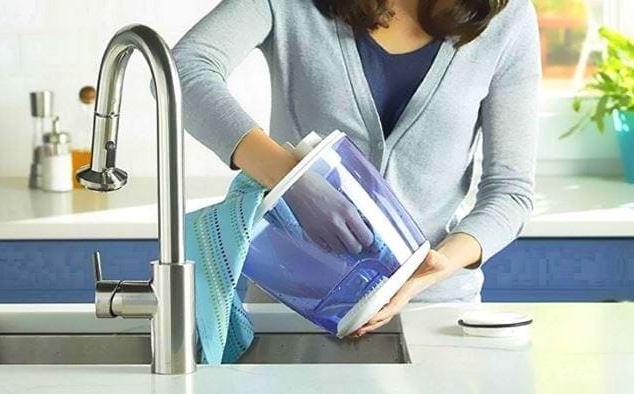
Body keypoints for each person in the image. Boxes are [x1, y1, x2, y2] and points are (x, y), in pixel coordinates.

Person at [172, 0, 540, 335]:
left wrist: (437, 265)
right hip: (293, 311)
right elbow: (183, 70)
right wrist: (292, 181)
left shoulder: (508, 20)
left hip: (432, 317)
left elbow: (510, 192)